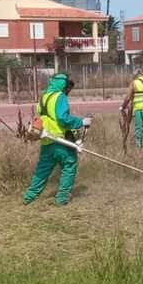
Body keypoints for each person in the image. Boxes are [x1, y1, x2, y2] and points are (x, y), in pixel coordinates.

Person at [23, 72, 91, 206]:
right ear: (63, 84)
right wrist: (81, 122)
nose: (68, 90)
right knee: (69, 165)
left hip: (46, 140)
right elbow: (62, 118)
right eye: (67, 86)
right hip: (60, 140)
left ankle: (28, 197)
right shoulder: (60, 96)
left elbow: (46, 118)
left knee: (42, 171)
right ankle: (62, 199)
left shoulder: (43, 98)